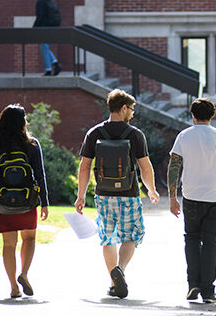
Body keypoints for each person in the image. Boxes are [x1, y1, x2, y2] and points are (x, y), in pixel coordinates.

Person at [75, 89, 160, 299]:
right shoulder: (135, 134)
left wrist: (81, 195)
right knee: (133, 234)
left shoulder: (94, 133)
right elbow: (145, 167)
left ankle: (114, 280)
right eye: (131, 109)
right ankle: (119, 271)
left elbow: (84, 167)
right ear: (123, 108)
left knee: (108, 237)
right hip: (129, 194)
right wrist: (151, 189)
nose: (132, 113)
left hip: (103, 194)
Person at [168, 98, 216, 304]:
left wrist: (172, 197)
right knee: (211, 244)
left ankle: (193, 283)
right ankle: (208, 291)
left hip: (191, 197)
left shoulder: (184, 136)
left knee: (191, 240)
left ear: (192, 115)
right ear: (212, 115)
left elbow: (173, 167)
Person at [0, 103, 49, 299]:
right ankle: (24, 274)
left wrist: (3, 182)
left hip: (3, 202)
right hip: (27, 200)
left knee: (9, 244)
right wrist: (44, 202)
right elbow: (40, 175)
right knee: (29, 239)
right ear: (23, 122)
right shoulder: (32, 144)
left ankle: (13, 286)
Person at [34, 0, 61, 76]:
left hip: (44, 28)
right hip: (52, 28)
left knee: (44, 47)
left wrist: (34, 28)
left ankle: (49, 69)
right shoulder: (49, 2)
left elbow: (40, 17)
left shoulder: (40, 2)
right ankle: (55, 64)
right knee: (45, 47)